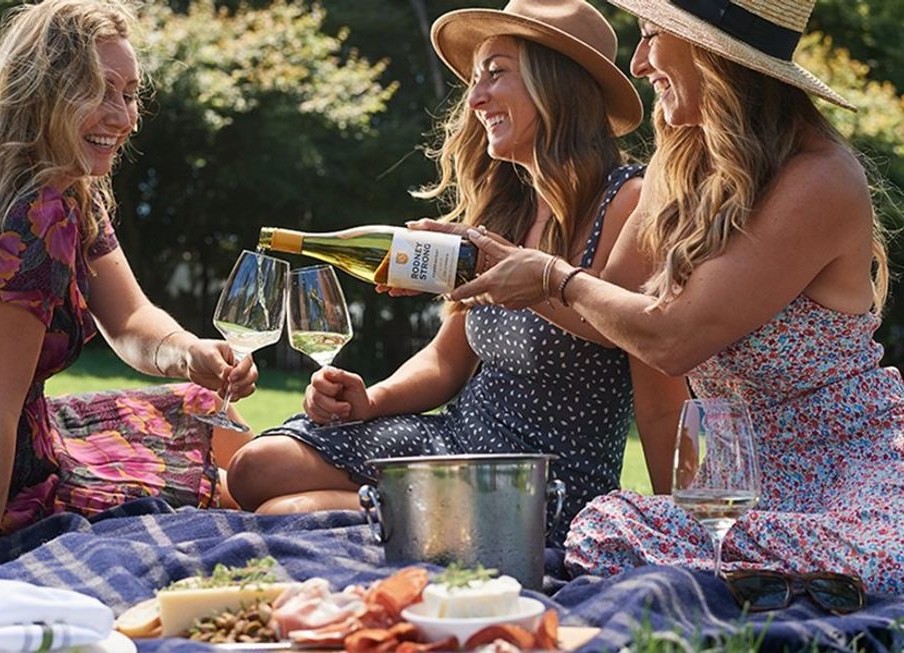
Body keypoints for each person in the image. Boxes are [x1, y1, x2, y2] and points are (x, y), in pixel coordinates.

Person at [446, 0, 904, 593]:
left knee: (874, 558)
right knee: (606, 529)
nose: (639, 62)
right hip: (741, 483)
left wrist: (550, 277)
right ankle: (765, 583)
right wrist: (496, 263)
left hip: (851, 474)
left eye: (652, 35)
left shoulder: (819, 178)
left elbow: (672, 339)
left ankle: (772, 580)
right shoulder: (682, 162)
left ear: (712, 52)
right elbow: (611, 313)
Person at [226, 0, 690, 546]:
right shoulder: (507, 211)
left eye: (496, 74)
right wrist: (369, 400)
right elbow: (447, 360)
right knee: (254, 468)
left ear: (557, 85)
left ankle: (398, 529)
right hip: (456, 442)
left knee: (285, 512)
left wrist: (681, 529)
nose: (475, 100)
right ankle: (394, 527)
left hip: (537, 484)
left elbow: (659, 399)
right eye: (474, 80)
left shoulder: (629, 203)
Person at [0, 0, 257, 561]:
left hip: (21, 436)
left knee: (209, 413)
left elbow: (129, 320)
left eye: (129, 94)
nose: (124, 117)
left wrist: (189, 352)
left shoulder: (64, 185)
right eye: (100, 91)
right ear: (43, 91)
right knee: (242, 491)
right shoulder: (28, 213)